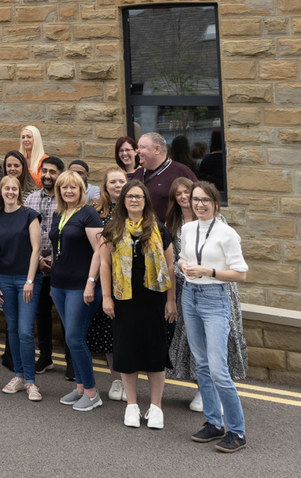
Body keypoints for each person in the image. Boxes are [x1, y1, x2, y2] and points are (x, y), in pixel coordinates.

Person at [178, 182, 250, 453]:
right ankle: (213, 423)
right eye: (196, 200)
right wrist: (184, 266)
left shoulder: (226, 233)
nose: (200, 204)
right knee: (202, 364)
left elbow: (241, 274)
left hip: (214, 298)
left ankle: (237, 432)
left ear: (215, 203)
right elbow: (182, 259)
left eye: (205, 200)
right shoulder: (187, 229)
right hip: (190, 295)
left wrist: (208, 271)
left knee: (219, 369)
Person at [99, 179, 177, 430]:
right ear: (123, 200)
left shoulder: (159, 229)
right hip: (124, 299)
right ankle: (131, 405)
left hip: (153, 298)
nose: (134, 200)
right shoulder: (113, 228)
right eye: (130, 196)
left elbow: (170, 267)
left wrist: (171, 301)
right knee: (126, 350)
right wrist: (106, 297)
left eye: (139, 196)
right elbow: (104, 264)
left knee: (156, 351)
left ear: (146, 201)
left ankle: (156, 407)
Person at [47, 170, 106, 411]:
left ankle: (92, 393)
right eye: (64, 187)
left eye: (73, 187)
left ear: (81, 190)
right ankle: (80, 387)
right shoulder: (58, 213)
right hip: (59, 285)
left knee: (74, 338)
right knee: (72, 338)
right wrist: (52, 282)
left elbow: (100, 250)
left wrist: (91, 282)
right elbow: (55, 248)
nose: (68, 191)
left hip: (81, 286)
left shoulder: (88, 213)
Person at [0, 173, 43, 399]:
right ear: (1, 192)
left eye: (14, 189)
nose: (10, 192)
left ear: (19, 192)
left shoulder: (30, 215)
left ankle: (31, 382)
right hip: (4, 279)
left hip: (27, 280)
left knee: (25, 331)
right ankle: (19, 376)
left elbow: (36, 249)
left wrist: (30, 280)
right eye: (7, 188)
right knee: (12, 328)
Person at [89, 166, 129, 399]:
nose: (117, 186)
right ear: (105, 186)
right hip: (105, 278)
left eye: (121, 181)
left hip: (130, 280)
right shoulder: (97, 212)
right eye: (113, 182)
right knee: (108, 330)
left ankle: (128, 380)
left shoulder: (135, 208)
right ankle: (116, 380)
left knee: (127, 332)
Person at [24, 153, 62, 373]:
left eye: (52, 172)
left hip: (61, 267)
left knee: (66, 316)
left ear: (60, 174)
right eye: (44, 171)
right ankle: (45, 356)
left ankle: (71, 362)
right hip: (37, 266)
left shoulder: (67, 198)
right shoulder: (30, 200)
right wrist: (38, 260)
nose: (47, 175)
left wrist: (56, 260)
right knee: (42, 314)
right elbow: (24, 234)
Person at [134, 131, 197, 217]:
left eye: (142, 147)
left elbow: (197, 200)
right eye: (138, 147)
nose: (137, 151)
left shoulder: (181, 172)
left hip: (170, 225)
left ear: (157, 149)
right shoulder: (138, 173)